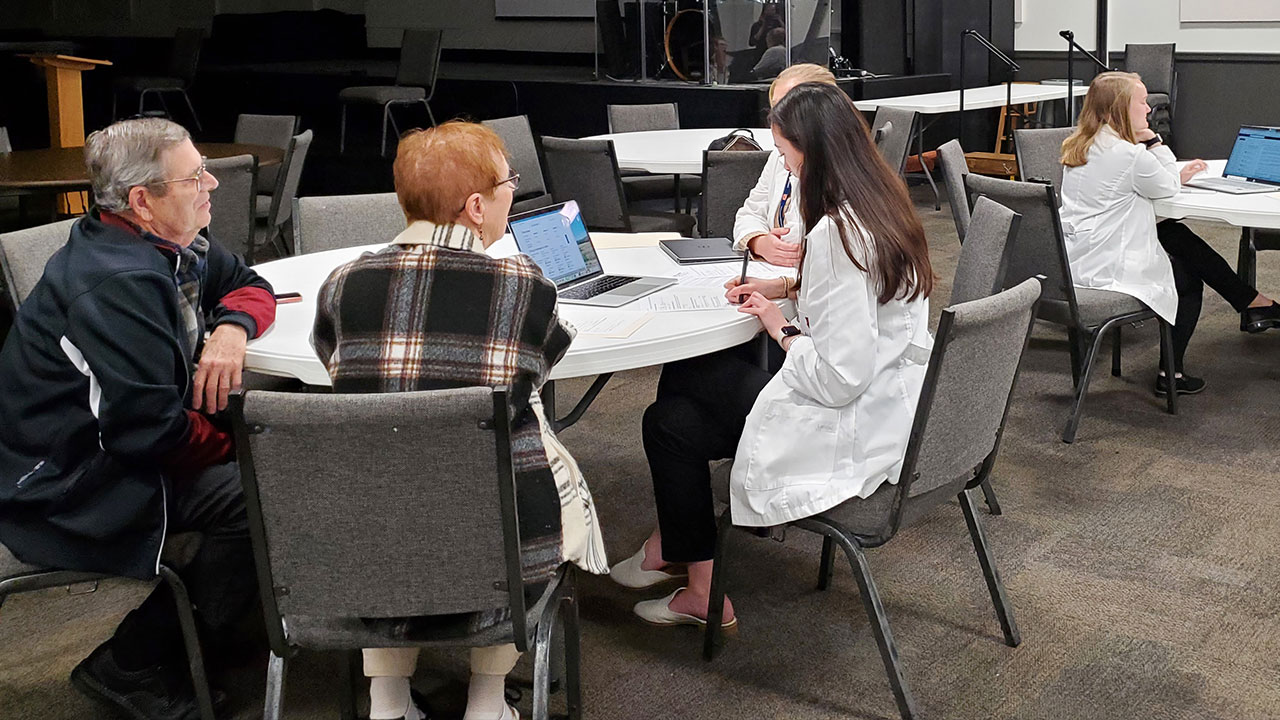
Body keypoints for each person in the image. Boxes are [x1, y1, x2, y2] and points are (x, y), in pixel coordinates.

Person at [311, 121, 609, 720]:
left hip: (367, 546)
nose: (512, 195)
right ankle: (487, 699)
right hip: (498, 551)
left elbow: (332, 361)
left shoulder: (343, 285)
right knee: (512, 465)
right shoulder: (523, 287)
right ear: (476, 206)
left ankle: (388, 701)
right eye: (508, 184)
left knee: (387, 475)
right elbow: (538, 369)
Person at [610, 83, 934, 627]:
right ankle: (692, 576)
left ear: (813, 152)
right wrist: (786, 288)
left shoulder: (838, 234)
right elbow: (857, 303)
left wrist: (778, 326)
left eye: (784, 155)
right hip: (890, 406)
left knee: (673, 408)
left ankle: (689, 567)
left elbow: (838, 378)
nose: (783, 167)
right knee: (672, 417)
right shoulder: (883, 204)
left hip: (845, 420)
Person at [0, 117, 276, 719]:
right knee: (265, 493)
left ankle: (218, 625)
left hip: (122, 446)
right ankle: (133, 661)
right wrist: (246, 450)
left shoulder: (168, 243)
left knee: (269, 467)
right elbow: (150, 432)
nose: (213, 185)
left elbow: (252, 283)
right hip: (71, 480)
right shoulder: (117, 281)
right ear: (142, 201)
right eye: (195, 176)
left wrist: (231, 329)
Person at [1060, 71, 1280, 395]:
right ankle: (1171, 376)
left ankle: (1250, 300)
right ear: (1122, 108)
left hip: (1074, 259)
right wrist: (1153, 140)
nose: (1148, 109)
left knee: (1175, 234)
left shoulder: (1082, 145)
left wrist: (1172, 173)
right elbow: (1165, 186)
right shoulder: (1129, 155)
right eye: (1141, 102)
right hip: (1107, 269)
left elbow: (1151, 183)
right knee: (1188, 281)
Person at [732, 63, 838, 267]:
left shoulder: (839, 170)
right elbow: (750, 212)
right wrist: (759, 242)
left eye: (788, 106)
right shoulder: (779, 156)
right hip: (772, 271)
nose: (777, 117)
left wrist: (784, 285)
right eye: (775, 106)